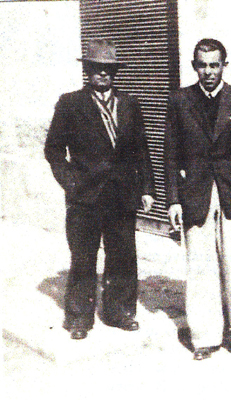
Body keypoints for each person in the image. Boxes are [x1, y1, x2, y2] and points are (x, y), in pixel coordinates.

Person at [45, 39, 155, 340]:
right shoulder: (70, 104)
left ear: (115, 72)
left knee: (122, 255)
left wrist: (147, 187)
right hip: (85, 195)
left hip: (121, 194)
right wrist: (71, 182)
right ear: (87, 70)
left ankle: (119, 311)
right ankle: (79, 317)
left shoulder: (130, 104)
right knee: (83, 257)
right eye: (96, 68)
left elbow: (141, 150)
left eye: (108, 70)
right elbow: (53, 150)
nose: (102, 75)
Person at [164, 38, 231, 361]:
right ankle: (204, 337)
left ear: (224, 65)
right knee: (200, 266)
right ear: (194, 66)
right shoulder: (179, 100)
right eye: (202, 64)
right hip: (196, 192)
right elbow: (170, 155)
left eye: (214, 64)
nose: (208, 71)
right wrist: (174, 200)